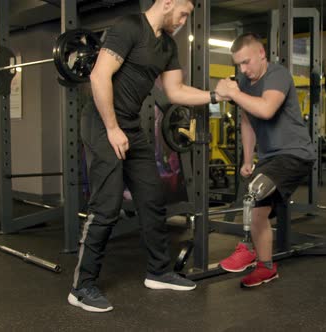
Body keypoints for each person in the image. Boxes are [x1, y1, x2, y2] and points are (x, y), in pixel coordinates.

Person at [68, 0, 229, 313]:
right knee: (107, 205)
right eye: (183, 13)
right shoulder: (129, 27)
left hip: (130, 126)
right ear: (167, 3)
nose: (184, 20)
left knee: (152, 198)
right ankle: (82, 286)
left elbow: (176, 90)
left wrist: (214, 95)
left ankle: (158, 271)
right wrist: (113, 128)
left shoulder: (168, 45)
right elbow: (99, 76)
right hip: (103, 122)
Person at [214, 33, 315, 287]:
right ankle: (266, 267)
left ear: (261, 53)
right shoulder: (244, 83)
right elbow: (248, 120)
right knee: (258, 212)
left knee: (255, 193)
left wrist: (233, 93)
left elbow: (266, 110)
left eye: (246, 62)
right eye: (238, 64)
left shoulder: (277, 75)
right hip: (271, 156)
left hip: (295, 153)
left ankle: (247, 247)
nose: (243, 69)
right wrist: (248, 158)